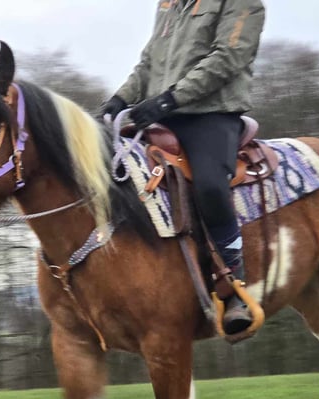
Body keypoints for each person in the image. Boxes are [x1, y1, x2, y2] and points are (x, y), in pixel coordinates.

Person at [102, 0, 266, 335]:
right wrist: (119, 99)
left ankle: (232, 284)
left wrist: (170, 99)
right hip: (160, 114)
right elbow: (148, 62)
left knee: (209, 186)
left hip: (211, 114)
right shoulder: (169, 3)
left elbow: (228, 58)